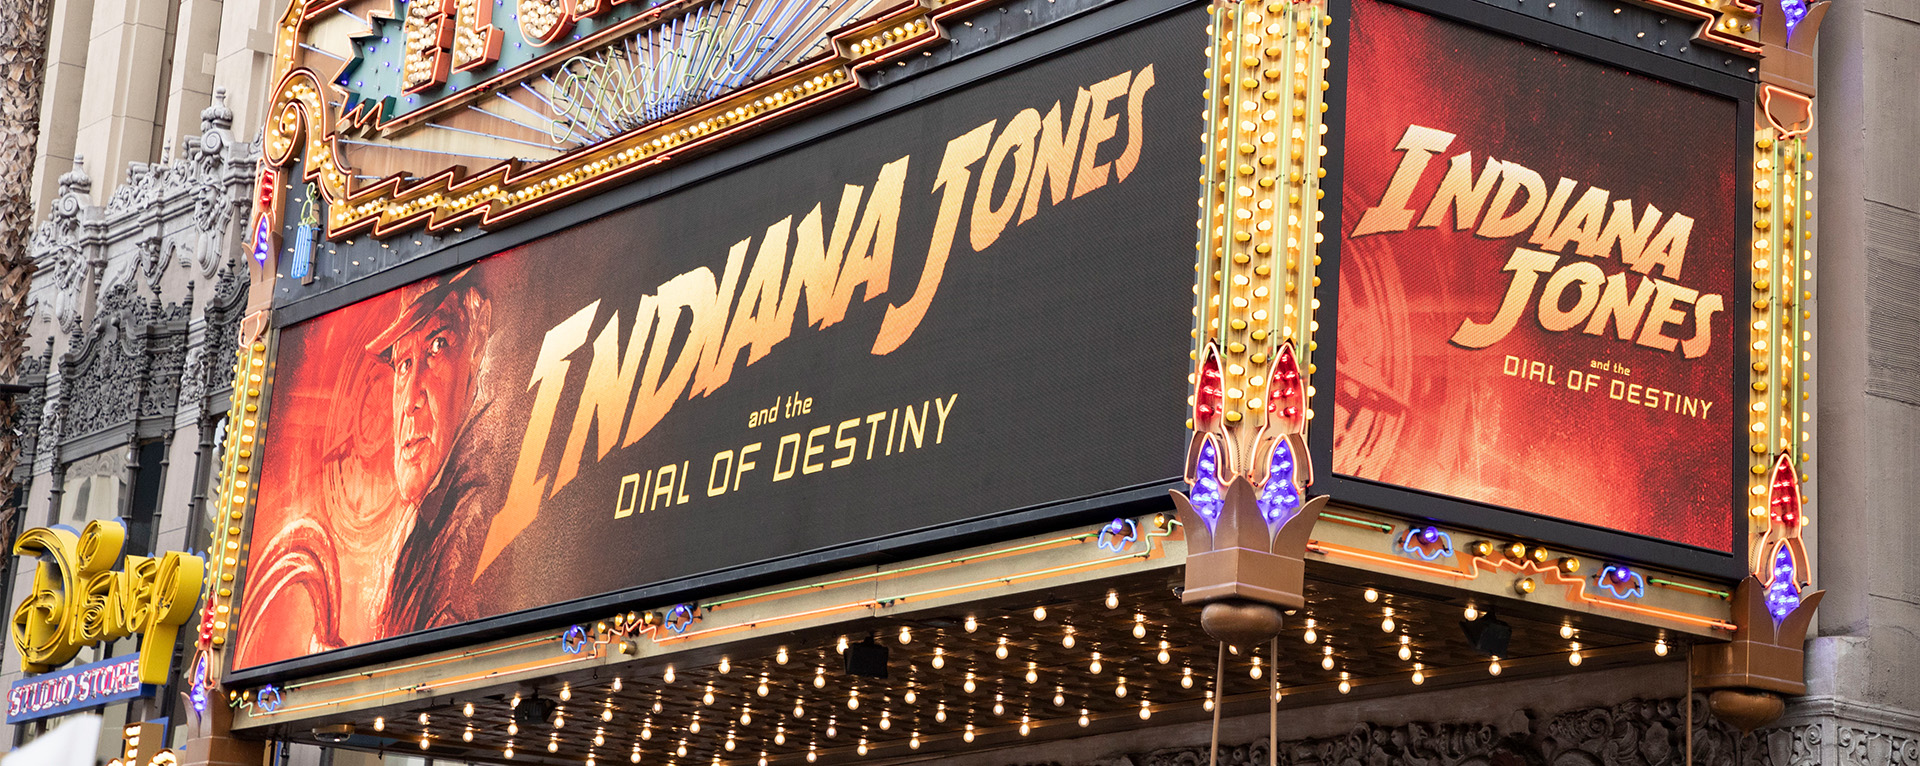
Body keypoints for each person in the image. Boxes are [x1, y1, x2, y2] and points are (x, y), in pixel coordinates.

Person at [365, 267, 503, 636]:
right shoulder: (423, 520)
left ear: (477, 338)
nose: (410, 400)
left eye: (437, 346)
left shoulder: (479, 506)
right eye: (404, 364)